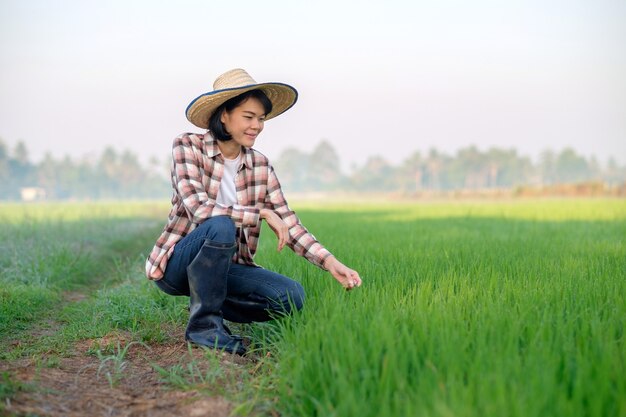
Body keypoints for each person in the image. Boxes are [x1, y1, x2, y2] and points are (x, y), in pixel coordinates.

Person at [145, 68, 361, 355]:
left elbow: (289, 223)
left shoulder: (260, 165)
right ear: (224, 115)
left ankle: (206, 300)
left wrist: (330, 262)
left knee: (290, 297)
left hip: (225, 267)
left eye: (261, 119)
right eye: (248, 117)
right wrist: (258, 213)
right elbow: (197, 207)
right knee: (220, 224)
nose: (257, 125)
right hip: (178, 265)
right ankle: (205, 328)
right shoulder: (188, 146)